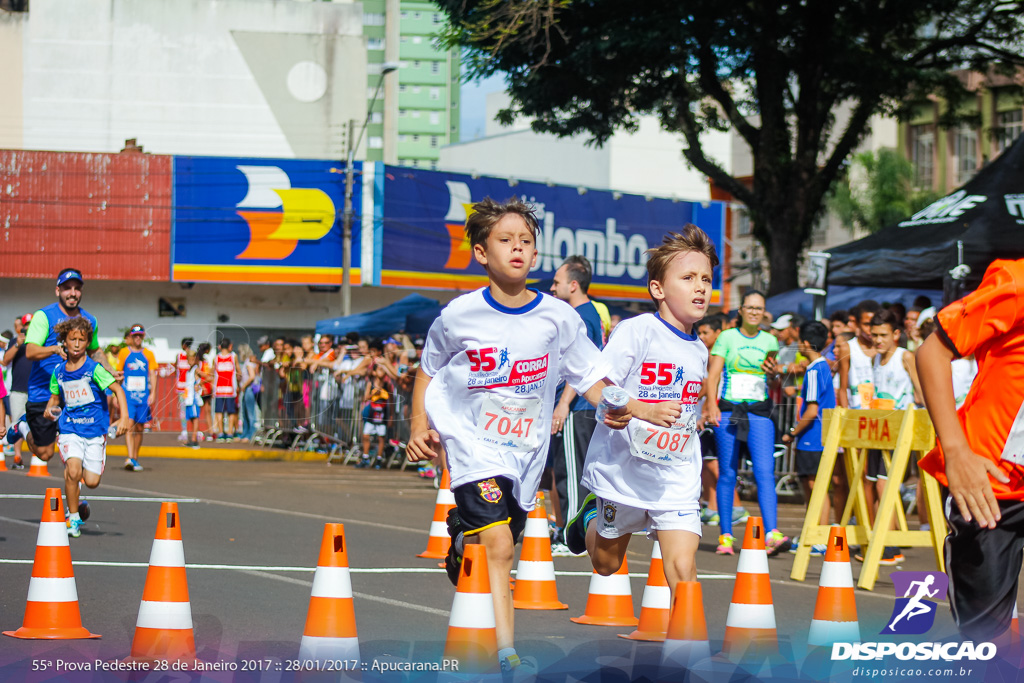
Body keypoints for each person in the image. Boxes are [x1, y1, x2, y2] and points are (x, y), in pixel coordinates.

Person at [406, 196, 642, 673]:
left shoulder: (559, 317)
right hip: (473, 447)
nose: (517, 248)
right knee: (501, 547)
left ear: (536, 255)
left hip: (525, 453)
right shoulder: (458, 315)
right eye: (505, 240)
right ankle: (508, 653)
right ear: (481, 252)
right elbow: (427, 371)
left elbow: (591, 378)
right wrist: (418, 426)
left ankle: (458, 539)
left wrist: (628, 408)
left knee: (491, 539)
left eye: (526, 241)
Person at [565, 226, 717, 608]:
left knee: (683, 569)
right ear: (658, 289)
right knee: (605, 563)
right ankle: (590, 519)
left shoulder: (700, 349)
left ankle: (687, 655)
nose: (700, 288)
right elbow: (600, 384)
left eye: (706, 279)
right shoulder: (638, 331)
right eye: (688, 278)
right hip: (623, 471)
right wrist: (632, 409)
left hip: (675, 473)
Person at [917, 259, 1023, 643]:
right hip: (989, 488)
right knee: (984, 644)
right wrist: (956, 451)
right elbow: (932, 353)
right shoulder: (1016, 282)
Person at [703, 290, 790, 556]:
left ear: (764, 313)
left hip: (759, 412)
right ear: (741, 310)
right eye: (749, 307)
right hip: (730, 411)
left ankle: (772, 533)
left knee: (765, 472)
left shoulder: (770, 340)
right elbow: (713, 374)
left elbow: (772, 377)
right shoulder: (727, 338)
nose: (754, 312)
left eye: (759, 308)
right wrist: (711, 405)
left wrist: (776, 375)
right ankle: (726, 536)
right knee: (728, 473)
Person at [6, 269, 111, 469]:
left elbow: (95, 350)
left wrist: (110, 370)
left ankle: (76, 500)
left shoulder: (90, 320)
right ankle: (22, 425)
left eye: (77, 288)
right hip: (43, 393)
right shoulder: (43, 316)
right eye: (67, 288)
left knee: (77, 450)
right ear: (57, 291)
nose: (72, 293)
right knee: (44, 453)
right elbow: (30, 351)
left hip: (75, 394)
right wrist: (53, 349)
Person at [45, 317, 129, 537]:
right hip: (69, 429)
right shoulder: (59, 372)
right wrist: (49, 409)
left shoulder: (94, 369)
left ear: (87, 342)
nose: (76, 344)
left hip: (94, 433)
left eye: (81, 340)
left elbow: (118, 391)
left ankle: (75, 491)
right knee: (72, 470)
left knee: (91, 481)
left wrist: (124, 419)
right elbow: (55, 398)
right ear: (64, 340)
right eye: (72, 339)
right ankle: (73, 518)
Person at [549, 255, 605, 547]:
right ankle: (575, 531)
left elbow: (580, 366)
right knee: (574, 470)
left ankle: (572, 537)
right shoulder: (588, 312)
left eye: (556, 282)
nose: (552, 287)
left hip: (578, 406)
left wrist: (563, 403)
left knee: (570, 473)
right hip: (581, 406)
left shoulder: (581, 315)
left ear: (573, 285)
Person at [781, 321, 835, 556]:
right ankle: (814, 533)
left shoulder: (814, 370)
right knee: (816, 487)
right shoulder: (822, 367)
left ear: (804, 343)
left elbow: (811, 411)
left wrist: (793, 432)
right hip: (819, 436)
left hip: (813, 437)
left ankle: (819, 536)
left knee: (814, 488)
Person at [696, 314, 747, 526]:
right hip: (705, 414)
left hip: (717, 415)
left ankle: (736, 507)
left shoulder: (721, 355)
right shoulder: (704, 353)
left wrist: (707, 409)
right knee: (706, 463)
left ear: (718, 333)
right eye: (699, 332)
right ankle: (712, 506)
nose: (701, 336)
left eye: (705, 332)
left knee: (718, 465)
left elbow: (710, 386)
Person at [115, 324, 157, 472]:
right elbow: (119, 373)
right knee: (129, 426)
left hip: (143, 396)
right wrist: (116, 394)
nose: (137, 338)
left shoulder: (149, 354)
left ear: (143, 337)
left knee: (139, 428)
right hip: (128, 396)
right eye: (135, 336)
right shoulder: (124, 353)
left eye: (140, 335)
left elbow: (152, 374)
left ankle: (135, 457)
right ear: (131, 337)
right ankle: (130, 457)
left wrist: (153, 393)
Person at [837, 300, 881, 409]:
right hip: (856, 412)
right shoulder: (848, 348)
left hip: (881, 412)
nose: (870, 329)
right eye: (866, 324)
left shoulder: (882, 348)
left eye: (873, 324)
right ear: (856, 323)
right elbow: (842, 388)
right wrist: (845, 415)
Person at [2, 314, 33, 467]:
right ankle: (18, 457)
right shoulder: (15, 342)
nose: (27, 328)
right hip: (18, 390)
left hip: (36, 390)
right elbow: (5, 360)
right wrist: (17, 345)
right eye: (25, 325)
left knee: (36, 424)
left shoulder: (38, 342)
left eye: (30, 325)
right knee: (17, 423)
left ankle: (37, 458)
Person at [358, 363, 390, 468]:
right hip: (371, 413)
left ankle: (379, 459)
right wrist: (373, 394)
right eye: (380, 369)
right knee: (366, 435)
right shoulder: (370, 383)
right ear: (375, 372)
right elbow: (365, 398)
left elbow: (392, 400)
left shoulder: (387, 384)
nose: (382, 372)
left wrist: (391, 416)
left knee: (381, 437)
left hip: (382, 413)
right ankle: (365, 457)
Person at [213, 338, 241, 441]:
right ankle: (229, 433)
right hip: (229, 389)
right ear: (229, 346)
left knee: (220, 412)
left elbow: (213, 373)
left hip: (220, 389)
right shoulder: (233, 357)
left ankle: (221, 432)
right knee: (231, 412)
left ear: (219, 346)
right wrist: (238, 383)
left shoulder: (216, 358)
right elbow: (239, 371)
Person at [236, 344, 259, 442]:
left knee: (250, 414)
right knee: (244, 413)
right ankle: (244, 433)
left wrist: (244, 385)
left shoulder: (249, 363)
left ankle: (250, 434)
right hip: (246, 390)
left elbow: (252, 376)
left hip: (249, 389)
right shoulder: (246, 362)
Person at [182, 349, 203, 448]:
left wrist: (199, 385)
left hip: (194, 398)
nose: (190, 361)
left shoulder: (196, 369)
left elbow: (207, 377)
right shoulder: (188, 371)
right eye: (189, 359)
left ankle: (194, 439)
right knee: (191, 418)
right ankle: (193, 437)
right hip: (188, 399)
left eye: (192, 359)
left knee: (195, 418)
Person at [175, 337, 194, 441]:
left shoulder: (179, 356)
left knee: (183, 410)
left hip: (183, 388)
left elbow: (175, 369)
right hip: (188, 388)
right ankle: (189, 431)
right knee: (190, 410)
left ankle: (185, 431)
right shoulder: (192, 356)